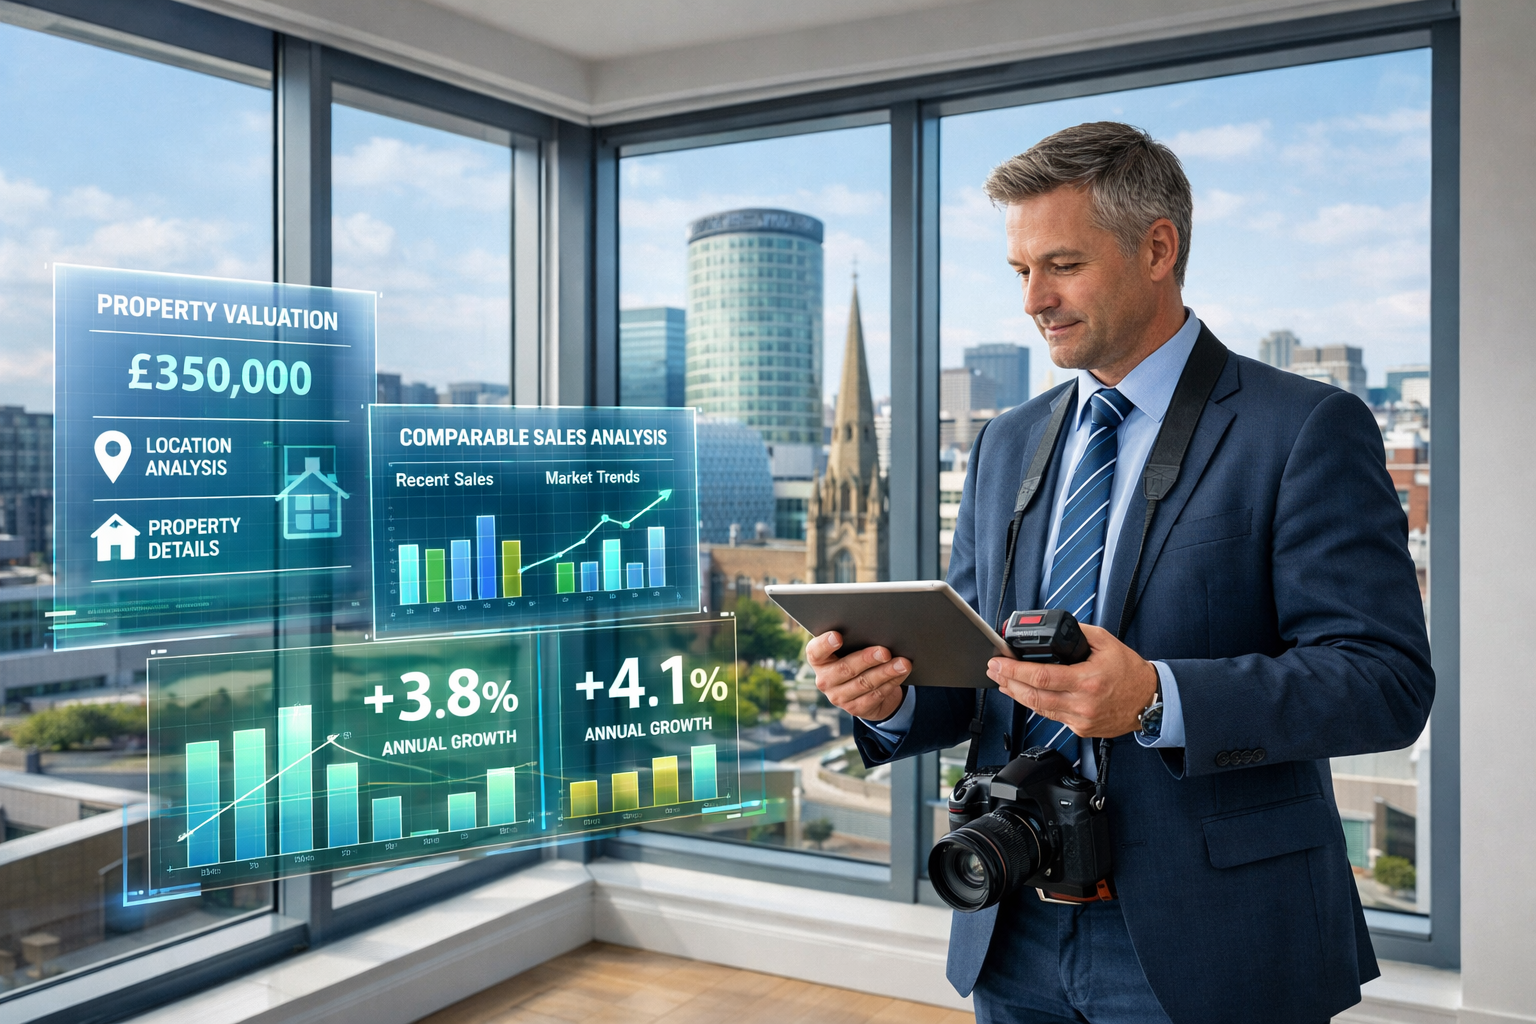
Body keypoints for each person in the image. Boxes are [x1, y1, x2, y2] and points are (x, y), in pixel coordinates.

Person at [807, 121, 1433, 1024]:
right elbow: (985, 670)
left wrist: (1155, 698)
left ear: (1157, 247)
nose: (1034, 299)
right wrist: (888, 696)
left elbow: (1385, 683)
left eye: (1061, 264)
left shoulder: (1302, 428)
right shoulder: (1005, 440)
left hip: (1216, 937)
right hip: (1011, 914)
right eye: (1020, 271)